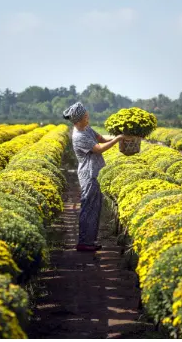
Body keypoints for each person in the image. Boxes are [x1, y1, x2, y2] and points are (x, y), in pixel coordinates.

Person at [63, 102, 124, 252]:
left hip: (95, 172)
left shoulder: (86, 128)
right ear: (78, 120)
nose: (87, 116)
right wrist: (119, 139)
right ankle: (84, 242)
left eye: (86, 114)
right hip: (88, 174)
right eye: (85, 115)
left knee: (94, 208)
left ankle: (90, 241)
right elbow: (99, 149)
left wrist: (119, 136)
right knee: (88, 208)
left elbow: (101, 139)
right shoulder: (79, 136)